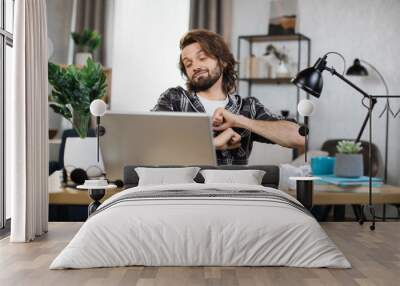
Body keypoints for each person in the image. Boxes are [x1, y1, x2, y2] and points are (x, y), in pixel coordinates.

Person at [152, 29, 304, 165]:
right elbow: (150, 142)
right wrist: (212, 144)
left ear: (223, 61)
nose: (195, 66)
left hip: (231, 194)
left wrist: (238, 120)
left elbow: (300, 137)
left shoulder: (248, 107)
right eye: (188, 63)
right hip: (182, 192)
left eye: (202, 57)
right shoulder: (175, 100)